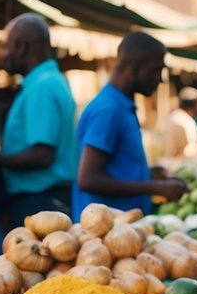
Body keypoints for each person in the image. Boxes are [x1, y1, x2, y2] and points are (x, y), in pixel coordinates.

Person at [73, 32, 186, 218]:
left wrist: (147, 174)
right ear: (133, 68)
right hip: (104, 235)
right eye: (156, 70)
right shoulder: (108, 110)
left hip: (123, 232)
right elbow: (88, 179)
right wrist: (154, 187)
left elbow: (112, 169)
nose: (160, 79)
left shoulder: (122, 106)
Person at [0, 13, 76, 219]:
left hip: (40, 203)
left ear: (21, 46)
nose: (5, 54)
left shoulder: (42, 86)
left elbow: (42, 155)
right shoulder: (48, 81)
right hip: (45, 200)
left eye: (7, 47)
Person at [163, 87, 197, 159]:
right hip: (181, 165)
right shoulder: (188, 122)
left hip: (169, 162)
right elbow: (190, 150)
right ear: (194, 106)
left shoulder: (171, 117)